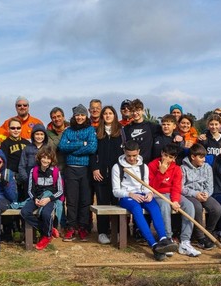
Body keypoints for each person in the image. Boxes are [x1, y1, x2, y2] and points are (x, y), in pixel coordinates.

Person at [112, 140, 173, 261]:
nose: (131, 158)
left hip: (142, 194)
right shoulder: (117, 167)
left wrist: (149, 193)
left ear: (138, 152)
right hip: (126, 197)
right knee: (136, 209)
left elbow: (146, 185)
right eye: (128, 156)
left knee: (154, 207)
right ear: (124, 152)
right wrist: (130, 194)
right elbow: (115, 191)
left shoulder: (143, 166)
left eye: (134, 155)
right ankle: (153, 245)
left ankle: (163, 239)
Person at [147, 144, 196, 256]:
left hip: (171, 194)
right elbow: (151, 187)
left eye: (170, 157)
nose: (167, 159)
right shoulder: (152, 165)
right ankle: (167, 239)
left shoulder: (177, 169)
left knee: (189, 205)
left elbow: (176, 187)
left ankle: (185, 241)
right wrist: (161, 172)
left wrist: (175, 201)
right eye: (165, 155)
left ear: (174, 158)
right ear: (161, 153)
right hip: (157, 194)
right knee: (164, 206)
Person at [58, 104, 97, 241]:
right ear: (74, 116)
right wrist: (82, 144)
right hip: (71, 169)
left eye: (82, 115)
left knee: (85, 201)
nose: (79, 117)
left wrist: (73, 149)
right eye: (77, 115)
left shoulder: (90, 129)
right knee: (72, 200)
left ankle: (83, 227)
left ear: (86, 116)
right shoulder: (68, 131)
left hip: (85, 170)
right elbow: (62, 146)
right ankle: (71, 227)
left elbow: (92, 148)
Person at [91, 106, 125, 245]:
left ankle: (117, 231)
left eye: (110, 113)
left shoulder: (121, 132)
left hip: (117, 174)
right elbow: (93, 152)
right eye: (105, 113)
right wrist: (94, 168)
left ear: (115, 115)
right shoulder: (97, 132)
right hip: (101, 174)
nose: (108, 115)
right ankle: (102, 232)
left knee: (117, 203)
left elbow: (126, 153)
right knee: (103, 203)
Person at [22, 147, 64, 251]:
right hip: (37, 197)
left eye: (48, 158)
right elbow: (30, 190)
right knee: (24, 212)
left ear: (52, 160)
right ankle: (47, 229)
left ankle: (47, 236)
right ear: (40, 158)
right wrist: (35, 199)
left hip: (50, 198)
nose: (46, 160)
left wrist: (49, 199)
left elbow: (60, 191)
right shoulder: (34, 171)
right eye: (44, 158)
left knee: (46, 214)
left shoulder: (55, 171)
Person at [181, 143, 220, 250]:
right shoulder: (183, 168)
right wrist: (194, 194)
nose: (204, 159)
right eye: (201, 157)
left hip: (204, 194)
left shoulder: (207, 167)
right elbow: (181, 188)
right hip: (190, 195)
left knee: (216, 208)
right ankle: (200, 237)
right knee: (197, 207)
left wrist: (206, 193)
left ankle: (208, 233)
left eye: (204, 157)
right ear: (193, 157)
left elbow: (210, 185)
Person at [18, 123, 48, 193]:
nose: (39, 136)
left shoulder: (48, 149)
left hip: (44, 181)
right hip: (29, 180)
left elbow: (52, 165)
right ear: (33, 135)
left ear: (45, 136)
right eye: (37, 134)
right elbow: (21, 166)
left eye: (41, 134)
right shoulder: (27, 148)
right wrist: (26, 179)